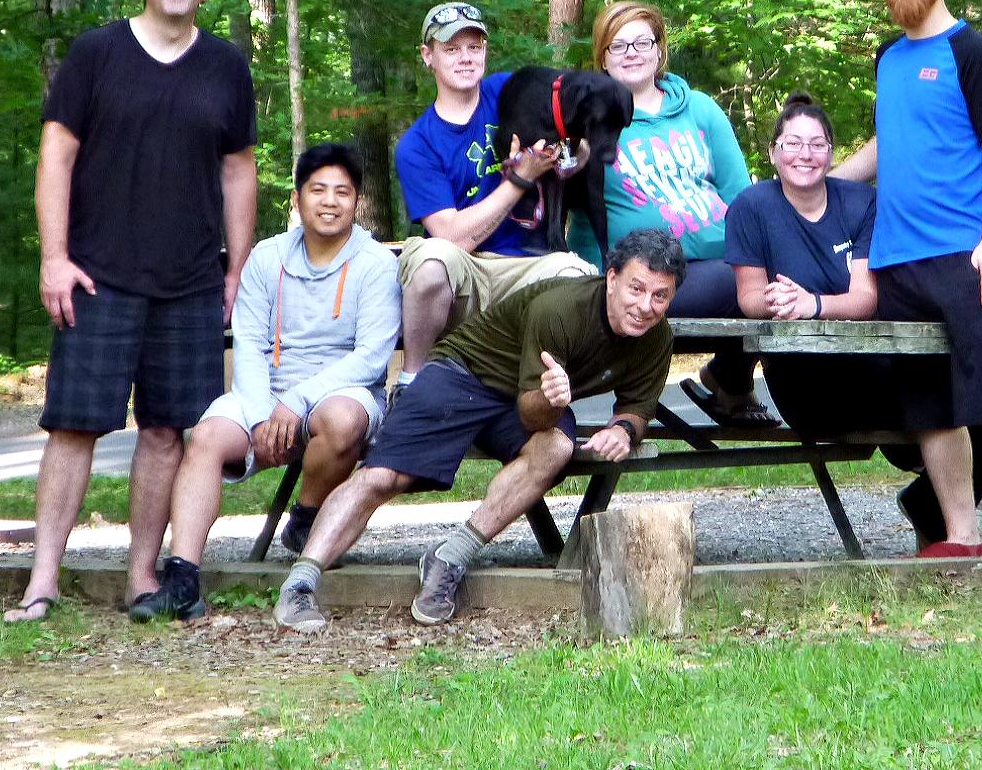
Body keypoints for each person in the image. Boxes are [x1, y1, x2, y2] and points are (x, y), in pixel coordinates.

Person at [5, 0, 257, 623]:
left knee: (167, 433)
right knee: (73, 427)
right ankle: (43, 580)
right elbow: (55, 158)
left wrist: (237, 268)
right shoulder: (96, 55)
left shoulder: (226, 67)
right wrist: (53, 258)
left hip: (190, 281)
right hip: (97, 274)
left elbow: (239, 171)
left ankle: (142, 577)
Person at [271, 228, 685, 632]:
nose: (645, 306)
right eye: (636, 288)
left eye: (659, 295)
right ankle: (302, 581)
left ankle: (450, 557)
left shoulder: (656, 338)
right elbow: (532, 412)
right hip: (465, 373)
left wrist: (624, 430)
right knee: (384, 476)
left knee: (555, 449)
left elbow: (636, 406)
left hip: (525, 397)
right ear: (611, 278)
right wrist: (554, 398)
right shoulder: (561, 309)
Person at [835, 0, 982, 585]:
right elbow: (890, 145)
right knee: (929, 404)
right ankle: (961, 533)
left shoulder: (974, 54)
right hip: (896, 263)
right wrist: (813, 182)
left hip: (965, 254)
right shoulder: (888, 59)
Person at [129, 143, 401, 622]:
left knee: (340, 419)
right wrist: (258, 414)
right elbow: (250, 343)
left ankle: (306, 519)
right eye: (318, 190)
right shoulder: (266, 257)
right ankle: (183, 577)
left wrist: (295, 403)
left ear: (357, 202)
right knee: (208, 435)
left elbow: (371, 359)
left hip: (342, 392)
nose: (330, 201)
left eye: (343, 192)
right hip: (267, 392)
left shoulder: (375, 263)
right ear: (297, 200)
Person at [723, 92, 982, 548]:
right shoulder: (752, 206)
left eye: (816, 144)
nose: (804, 155)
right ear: (773, 152)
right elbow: (748, 297)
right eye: (792, 143)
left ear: (832, 153)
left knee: (978, 408)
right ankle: (949, 527)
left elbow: (865, 297)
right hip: (805, 379)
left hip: (872, 360)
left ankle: (945, 529)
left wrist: (812, 304)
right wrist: (776, 301)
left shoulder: (861, 203)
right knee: (938, 400)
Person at [575, 0, 775, 426]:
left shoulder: (700, 109)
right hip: (646, 277)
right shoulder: (588, 123)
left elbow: (742, 199)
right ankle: (731, 385)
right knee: (753, 283)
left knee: (776, 269)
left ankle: (731, 379)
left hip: (721, 261)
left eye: (641, 42)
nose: (631, 52)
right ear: (603, 58)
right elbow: (579, 214)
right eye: (617, 45)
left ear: (659, 49)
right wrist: (592, 278)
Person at [392, 2, 595, 387]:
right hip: (464, 275)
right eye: (451, 49)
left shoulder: (507, 90)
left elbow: (577, 130)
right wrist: (519, 180)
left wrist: (566, 152)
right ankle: (411, 381)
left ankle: (539, 391)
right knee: (432, 257)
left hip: (527, 266)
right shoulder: (416, 145)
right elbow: (451, 236)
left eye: (474, 47)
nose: (465, 58)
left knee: (578, 277)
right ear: (427, 56)